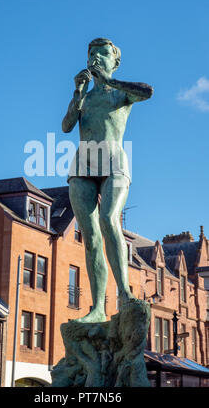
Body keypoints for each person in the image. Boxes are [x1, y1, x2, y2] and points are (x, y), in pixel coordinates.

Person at [62, 38, 153, 323]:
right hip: (83, 165)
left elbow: (147, 92)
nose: (96, 58)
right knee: (89, 237)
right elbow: (66, 126)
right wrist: (78, 91)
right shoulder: (85, 98)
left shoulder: (120, 94)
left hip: (114, 162)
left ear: (115, 62)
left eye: (103, 54)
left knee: (109, 219)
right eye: (92, 54)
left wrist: (109, 81)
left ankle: (124, 295)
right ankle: (98, 308)